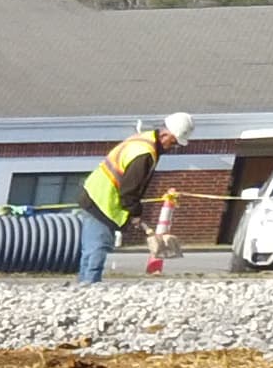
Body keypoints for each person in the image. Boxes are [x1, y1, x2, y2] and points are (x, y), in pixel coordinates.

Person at [75, 112, 191, 285]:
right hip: (102, 201)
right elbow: (129, 191)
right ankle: (89, 286)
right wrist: (135, 213)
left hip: (96, 195)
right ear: (166, 134)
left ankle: (84, 285)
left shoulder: (144, 140)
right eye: (173, 142)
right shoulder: (144, 154)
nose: (172, 147)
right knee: (97, 248)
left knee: (91, 249)